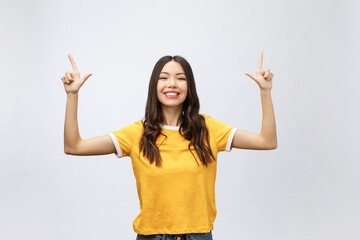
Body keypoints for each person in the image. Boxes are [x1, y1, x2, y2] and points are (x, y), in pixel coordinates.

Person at [61, 53, 277, 240]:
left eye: (180, 78)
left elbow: (267, 141)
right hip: (151, 236)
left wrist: (265, 92)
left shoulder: (208, 129)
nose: (172, 84)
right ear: (154, 85)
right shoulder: (137, 134)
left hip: (199, 235)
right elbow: (74, 146)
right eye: (164, 78)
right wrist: (72, 95)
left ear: (189, 87)